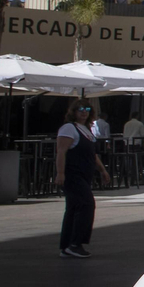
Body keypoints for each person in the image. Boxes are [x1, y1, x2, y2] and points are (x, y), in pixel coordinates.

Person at [56, 103, 110, 258]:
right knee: (87, 204)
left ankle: (68, 245)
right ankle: (75, 243)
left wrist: (102, 170)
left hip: (85, 175)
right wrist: (60, 173)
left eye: (87, 110)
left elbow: (92, 154)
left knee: (73, 209)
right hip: (73, 174)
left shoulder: (86, 130)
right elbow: (61, 151)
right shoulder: (69, 128)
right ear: (73, 112)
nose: (84, 113)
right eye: (80, 110)